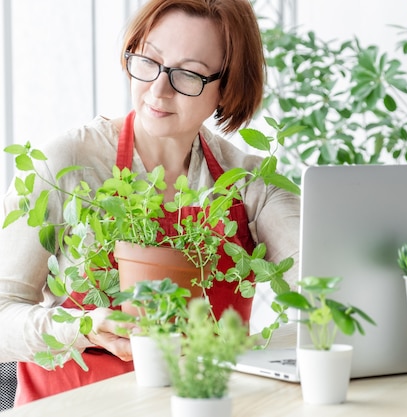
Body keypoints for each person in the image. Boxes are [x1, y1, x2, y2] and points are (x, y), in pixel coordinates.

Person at [0, 0, 300, 405]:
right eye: (149, 61)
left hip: (204, 406)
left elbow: (323, 281)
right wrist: (82, 327)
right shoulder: (66, 163)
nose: (158, 90)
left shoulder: (248, 181)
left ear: (227, 87)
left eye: (189, 74)